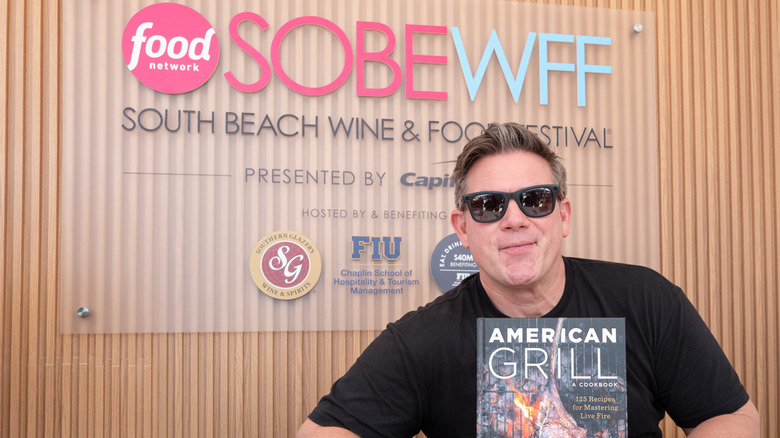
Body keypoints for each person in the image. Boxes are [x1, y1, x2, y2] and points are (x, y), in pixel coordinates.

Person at [297, 122, 759, 437]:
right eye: (489, 205)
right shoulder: (422, 340)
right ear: (463, 229)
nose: (514, 219)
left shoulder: (647, 300)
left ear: (563, 215)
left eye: (535, 199)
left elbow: (731, 416)